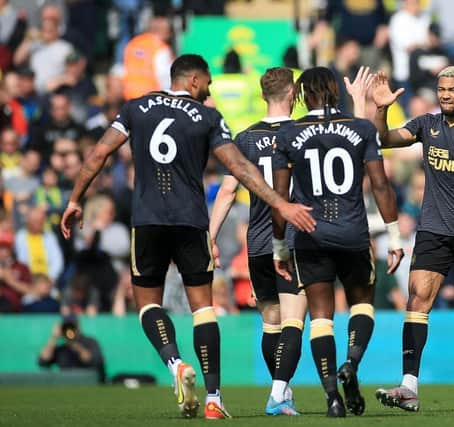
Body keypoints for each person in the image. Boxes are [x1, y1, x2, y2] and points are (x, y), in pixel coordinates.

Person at [59, 54, 315, 420]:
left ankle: (174, 362)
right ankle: (213, 397)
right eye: (207, 83)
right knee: (204, 309)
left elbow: (99, 153)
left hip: (147, 221)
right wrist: (280, 203)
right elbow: (239, 167)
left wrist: (74, 199)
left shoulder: (136, 107)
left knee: (148, 303)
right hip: (191, 222)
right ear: (194, 80)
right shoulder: (208, 117)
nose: (209, 91)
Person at [351, 66, 454, 412]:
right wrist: (380, 109)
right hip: (433, 230)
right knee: (416, 301)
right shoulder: (427, 125)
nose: (445, 95)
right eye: (441, 89)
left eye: (452, 90)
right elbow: (384, 140)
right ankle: (409, 387)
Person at [272, 66, 404, 417]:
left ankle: (332, 398)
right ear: (333, 90)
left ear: (301, 94)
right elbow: (380, 185)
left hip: (310, 237)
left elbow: (280, 196)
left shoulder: (287, 133)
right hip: (353, 235)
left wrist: (279, 247)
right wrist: (393, 236)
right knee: (362, 304)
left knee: (320, 318)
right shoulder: (359, 128)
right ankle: (351, 362)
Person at [209, 67, 307, 416]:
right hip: (295, 240)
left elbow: (227, 191)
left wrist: (211, 236)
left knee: (271, 322)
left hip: (259, 241)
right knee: (295, 319)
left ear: (263, 96)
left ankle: (282, 391)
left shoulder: (245, 138)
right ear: (293, 94)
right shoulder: (303, 134)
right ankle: (279, 392)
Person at [38, 314, 105, 383]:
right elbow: (43, 361)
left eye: (72, 327)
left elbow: (96, 362)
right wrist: (53, 337)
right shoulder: (61, 348)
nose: (69, 330)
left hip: (88, 383)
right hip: (66, 385)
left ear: (78, 327)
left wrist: (77, 347)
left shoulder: (90, 342)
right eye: (66, 327)